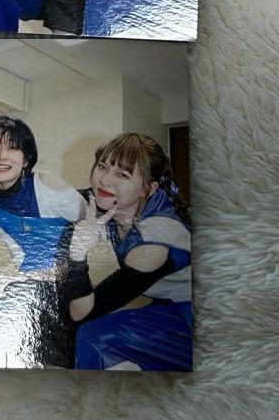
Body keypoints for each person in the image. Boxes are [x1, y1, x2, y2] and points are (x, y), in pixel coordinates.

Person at [0, 116, 86, 367]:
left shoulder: (45, 185)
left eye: (13, 148)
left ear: (26, 158)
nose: (2, 155)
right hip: (19, 294)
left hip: (56, 298)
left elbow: (89, 223)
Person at [66, 134, 192, 370]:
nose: (105, 180)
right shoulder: (118, 200)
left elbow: (81, 312)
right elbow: (61, 196)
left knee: (91, 337)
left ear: (148, 188)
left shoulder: (152, 246)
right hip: (165, 306)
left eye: (122, 174)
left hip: (196, 324)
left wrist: (77, 255)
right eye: (102, 167)